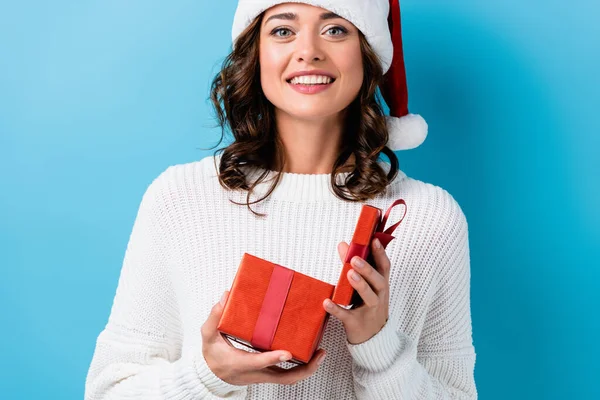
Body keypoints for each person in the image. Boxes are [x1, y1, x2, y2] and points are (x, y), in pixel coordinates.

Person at [85, 1, 477, 399]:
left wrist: (378, 346)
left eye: (336, 30)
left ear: (368, 53)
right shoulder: (179, 199)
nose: (308, 50)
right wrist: (207, 376)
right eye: (283, 31)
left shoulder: (426, 217)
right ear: (254, 54)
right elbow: (108, 391)